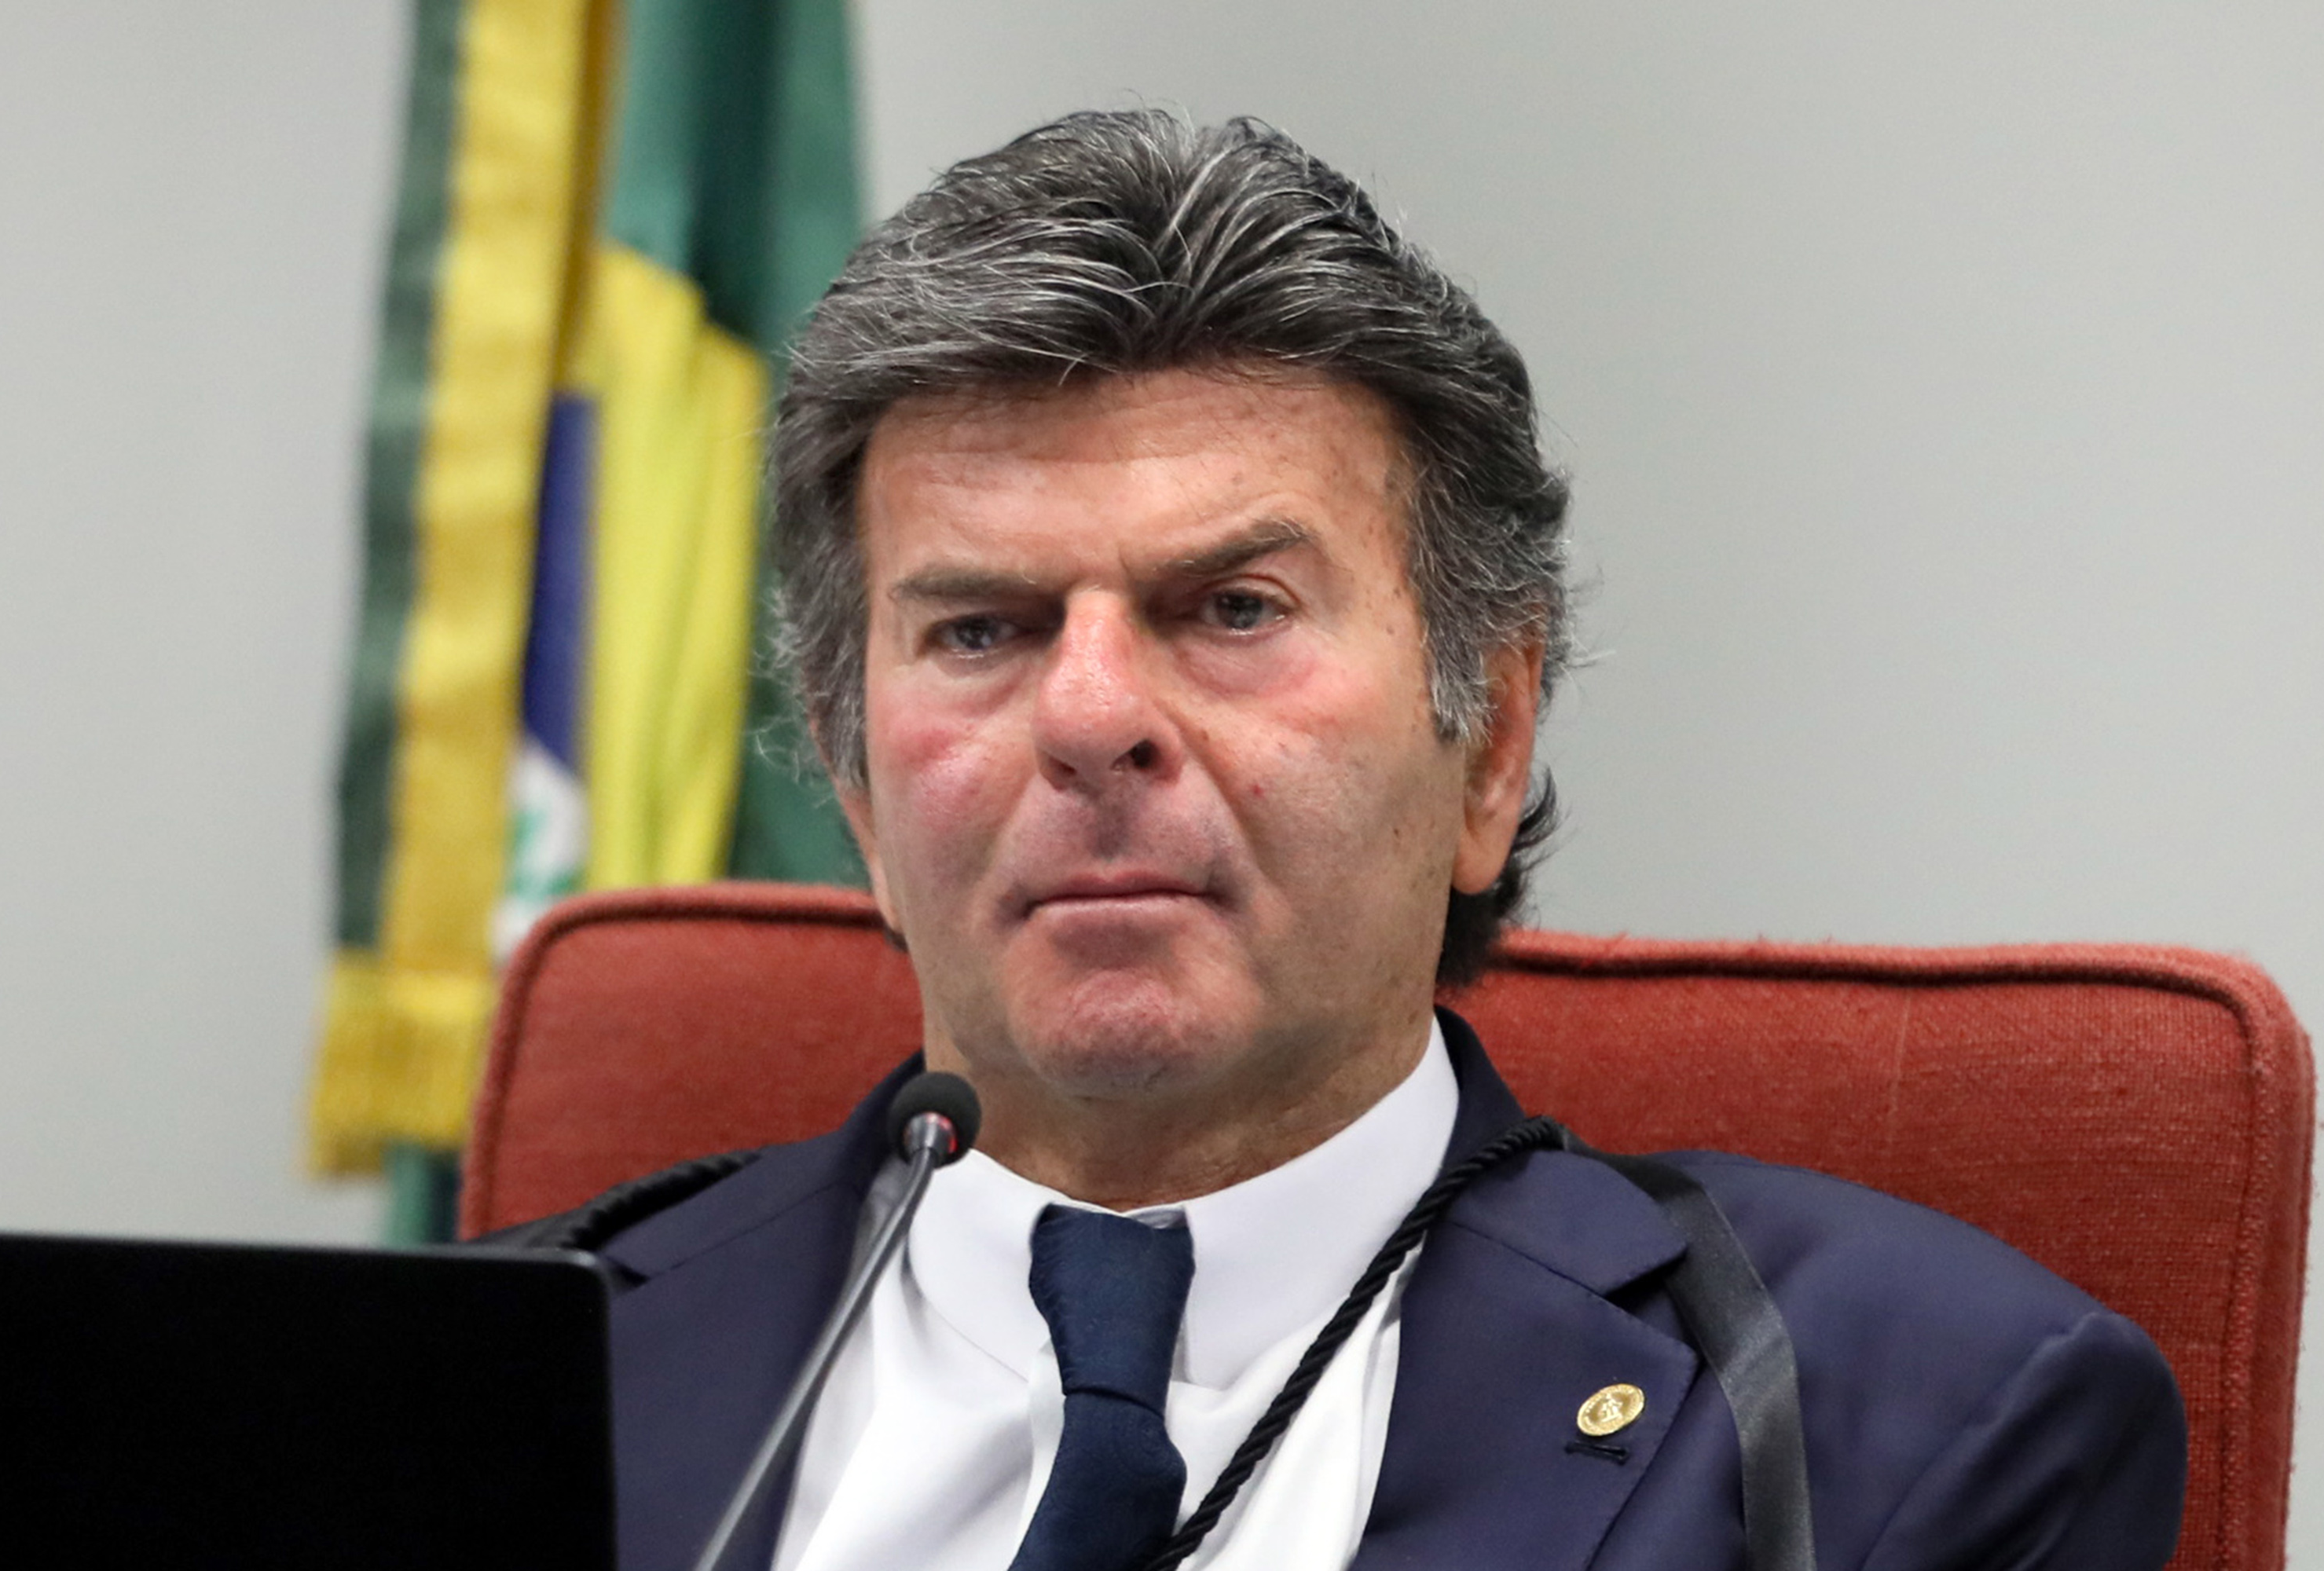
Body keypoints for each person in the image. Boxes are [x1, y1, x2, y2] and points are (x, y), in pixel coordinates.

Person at [504, 110, 2185, 1571]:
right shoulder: (490, 1371)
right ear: (859, 790)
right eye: (982, 629)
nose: (1091, 716)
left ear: (1489, 743)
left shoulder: (1913, 1417)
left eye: (1233, 607)